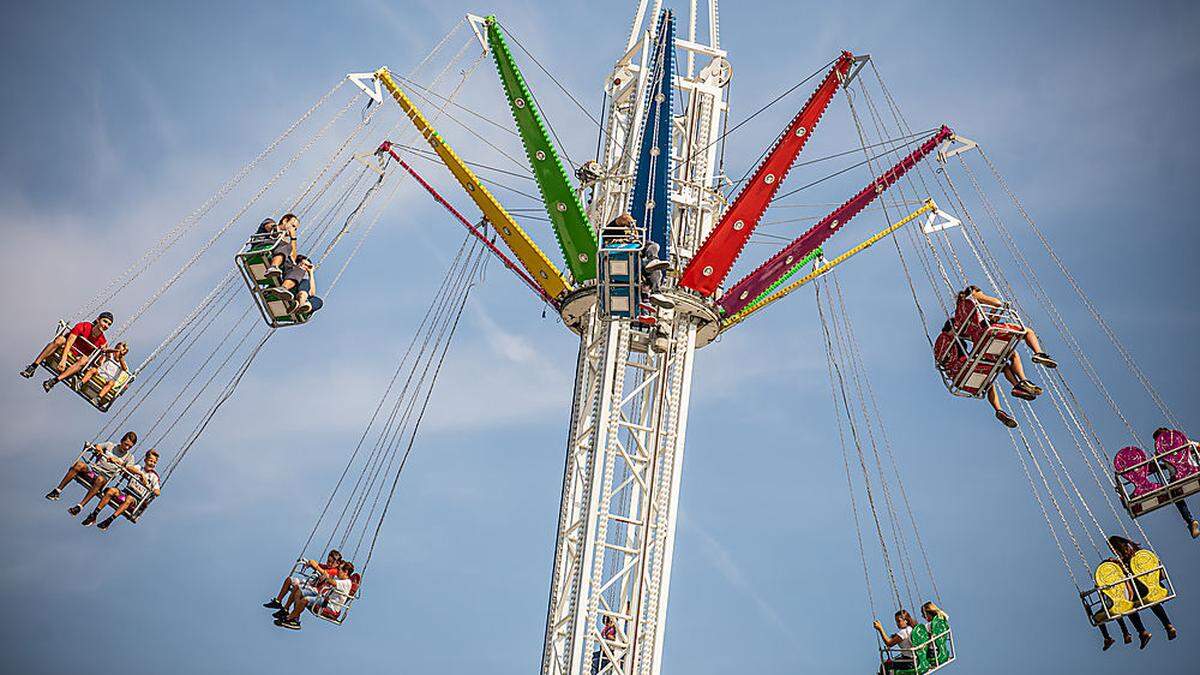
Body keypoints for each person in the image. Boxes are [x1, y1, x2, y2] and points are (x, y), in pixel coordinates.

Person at [933, 319, 1033, 428]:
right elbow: (945, 355)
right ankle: (1017, 385)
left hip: (958, 376)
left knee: (988, 383)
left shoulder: (950, 340)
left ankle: (999, 410)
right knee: (1003, 363)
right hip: (962, 368)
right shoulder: (944, 338)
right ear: (953, 327)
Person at [955, 285, 1057, 367]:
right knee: (1028, 331)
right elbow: (997, 303)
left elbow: (971, 326)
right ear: (974, 291)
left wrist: (993, 315)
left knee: (1012, 354)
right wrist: (991, 303)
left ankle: (1021, 384)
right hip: (987, 332)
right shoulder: (974, 296)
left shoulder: (959, 310)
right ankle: (1039, 353)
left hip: (978, 340)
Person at [1106, 535, 1177, 648]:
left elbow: (1125, 570)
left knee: (1128, 606)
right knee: (1152, 601)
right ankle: (1168, 626)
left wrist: (1116, 564)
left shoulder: (1126, 559)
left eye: (1113, 548)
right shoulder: (1140, 553)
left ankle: (1142, 632)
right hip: (1153, 587)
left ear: (1116, 547)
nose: (1113, 551)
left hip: (1141, 588)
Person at [45, 431, 138, 517]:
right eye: (126, 444)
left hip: (105, 477)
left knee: (100, 479)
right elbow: (97, 446)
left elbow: (130, 468)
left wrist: (118, 462)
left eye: (130, 447)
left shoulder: (129, 457)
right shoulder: (110, 445)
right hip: (93, 471)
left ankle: (80, 506)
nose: (126, 448)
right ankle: (57, 491)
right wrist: (99, 450)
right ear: (121, 441)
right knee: (79, 465)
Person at [20, 312, 113, 387]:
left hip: (77, 356)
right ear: (98, 319)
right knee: (60, 339)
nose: (106, 325)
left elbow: (100, 358)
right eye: (105, 321)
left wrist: (107, 352)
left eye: (109, 324)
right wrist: (63, 359)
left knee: (85, 360)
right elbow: (69, 341)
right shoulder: (84, 326)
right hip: (66, 348)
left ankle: (55, 381)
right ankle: (33, 366)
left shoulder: (103, 341)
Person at [84, 449, 160, 529]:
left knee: (129, 499)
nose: (152, 464)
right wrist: (141, 474)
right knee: (112, 490)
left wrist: (149, 487)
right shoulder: (138, 468)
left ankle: (109, 520)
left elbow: (157, 491)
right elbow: (129, 468)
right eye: (151, 461)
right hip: (126, 492)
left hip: (135, 498)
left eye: (154, 462)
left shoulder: (154, 477)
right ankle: (94, 514)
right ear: (145, 460)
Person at [273, 560, 355, 630]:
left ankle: (290, 618)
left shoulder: (346, 583)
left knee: (306, 600)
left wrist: (324, 575)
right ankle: (294, 617)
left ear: (346, 572)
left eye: (340, 569)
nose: (338, 571)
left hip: (330, 606)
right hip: (324, 597)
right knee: (299, 592)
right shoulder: (339, 578)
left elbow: (332, 582)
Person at [1151, 427, 1200, 539]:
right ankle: (1191, 522)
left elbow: (1153, 465)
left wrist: (1161, 464)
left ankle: (1190, 521)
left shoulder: (1159, 449)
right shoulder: (1182, 440)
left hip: (1178, 478)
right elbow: (1198, 447)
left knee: (1174, 494)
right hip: (1194, 470)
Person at [264, 550, 343, 612]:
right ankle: (278, 601)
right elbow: (318, 565)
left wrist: (315, 566)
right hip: (311, 584)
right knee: (289, 580)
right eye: (328, 561)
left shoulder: (335, 571)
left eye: (331, 562)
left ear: (338, 563)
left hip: (317, 590)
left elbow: (323, 572)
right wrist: (309, 563)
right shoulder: (327, 566)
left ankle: (287, 609)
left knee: (297, 589)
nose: (328, 563)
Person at [874, 609, 918, 674]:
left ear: (905, 621)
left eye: (899, 621)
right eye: (896, 621)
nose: (897, 624)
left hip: (909, 663)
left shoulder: (903, 632)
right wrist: (895, 637)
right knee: (892, 661)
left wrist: (880, 628)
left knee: (885, 666)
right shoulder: (911, 628)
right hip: (915, 659)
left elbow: (889, 643)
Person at [263, 213, 299, 277]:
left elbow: (293, 258)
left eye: (295, 229)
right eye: (293, 226)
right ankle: (274, 266)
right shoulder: (269, 222)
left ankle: (285, 286)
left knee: (297, 269)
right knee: (286, 246)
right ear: (285, 221)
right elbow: (270, 227)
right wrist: (280, 231)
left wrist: (293, 239)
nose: (293, 230)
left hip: (275, 256)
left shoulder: (285, 245)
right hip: (262, 247)